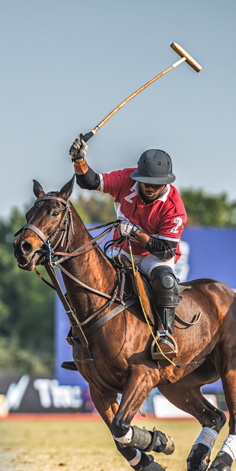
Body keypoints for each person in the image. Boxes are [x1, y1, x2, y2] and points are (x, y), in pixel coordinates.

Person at [66, 138, 188, 362]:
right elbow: (90, 181)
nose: (149, 187)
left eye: (155, 184)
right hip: (121, 250)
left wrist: (135, 233)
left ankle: (165, 336)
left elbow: (166, 251)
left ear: (166, 183)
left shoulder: (174, 206)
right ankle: (82, 336)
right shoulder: (125, 179)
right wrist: (79, 160)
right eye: (145, 182)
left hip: (153, 256)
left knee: (166, 282)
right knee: (91, 278)